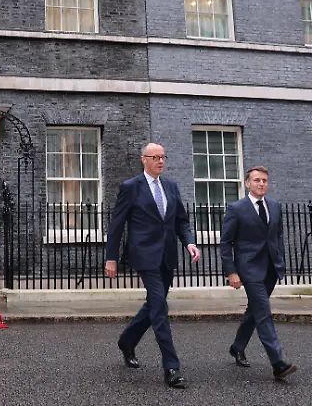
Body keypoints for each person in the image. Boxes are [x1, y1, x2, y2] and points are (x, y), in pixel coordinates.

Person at [105, 143, 201, 388]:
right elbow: (117, 225)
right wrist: (111, 257)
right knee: (160, 307)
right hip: (144, 255)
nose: (160, 161)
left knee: (153, 304)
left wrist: (189, 243)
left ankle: (127, 341)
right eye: (155, 157)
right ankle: (171, 367)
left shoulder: (170, 186)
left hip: (167, 255)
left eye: (163, 157)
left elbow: (181, 221)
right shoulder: (130, 187)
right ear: (143, 159)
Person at [220, 166, 297, 380]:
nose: (261, 183)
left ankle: (237, 347)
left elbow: (277, 236)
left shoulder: (274, 205)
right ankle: (278, 363)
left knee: (254, 311)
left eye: (264, 180)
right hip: (249, 268)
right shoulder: (236, 208)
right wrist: (232, 272)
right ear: (247, 183)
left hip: (271, 268)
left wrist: (280, 259)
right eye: (256, 180)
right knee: (263, 312)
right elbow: (225, 243)